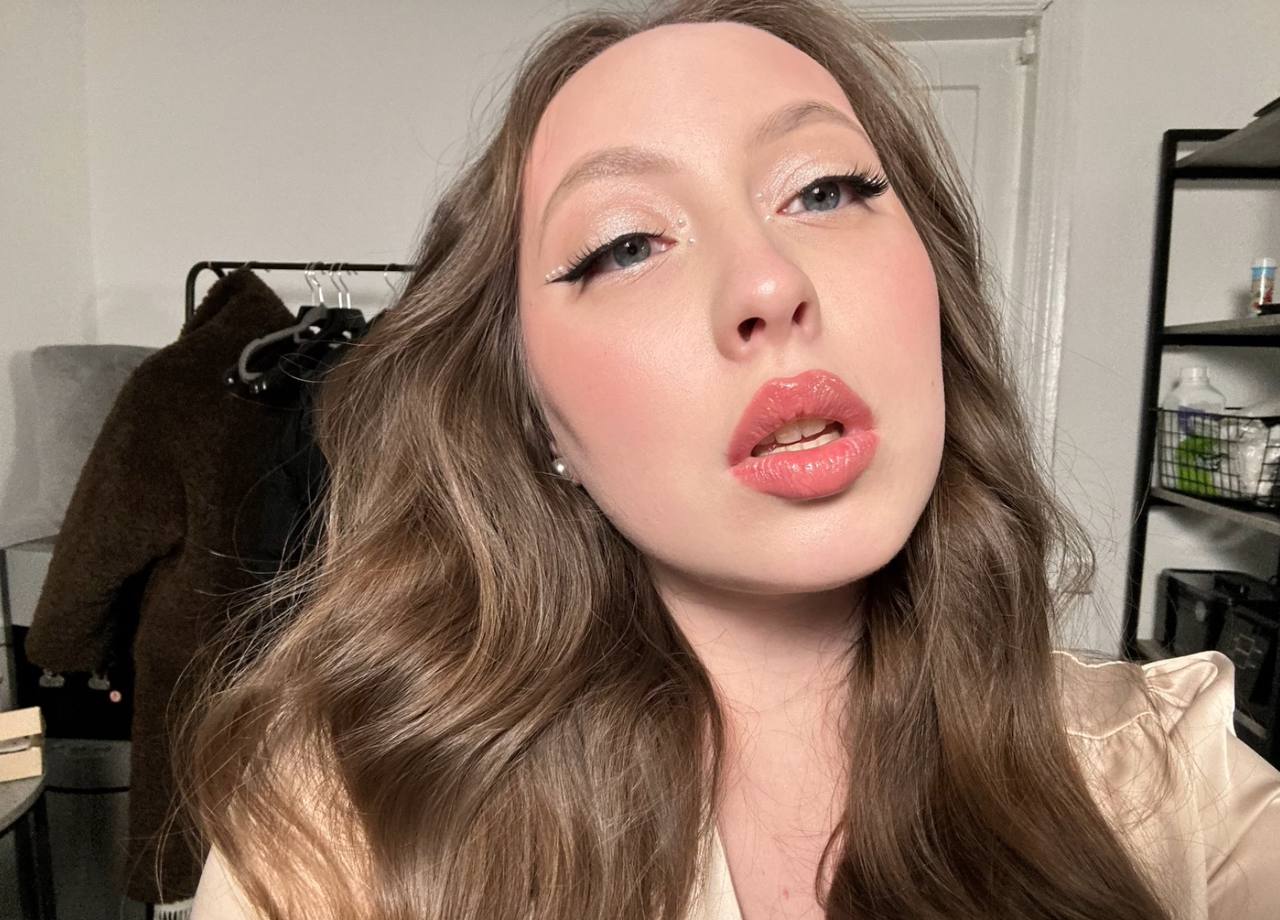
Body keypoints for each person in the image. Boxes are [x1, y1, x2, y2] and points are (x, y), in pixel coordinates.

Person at [181, 1, 1280, 918]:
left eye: (825, 190)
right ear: (535, 419)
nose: (767, 281)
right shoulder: (343, 829)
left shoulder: (1168, 786)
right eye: (626, 245)